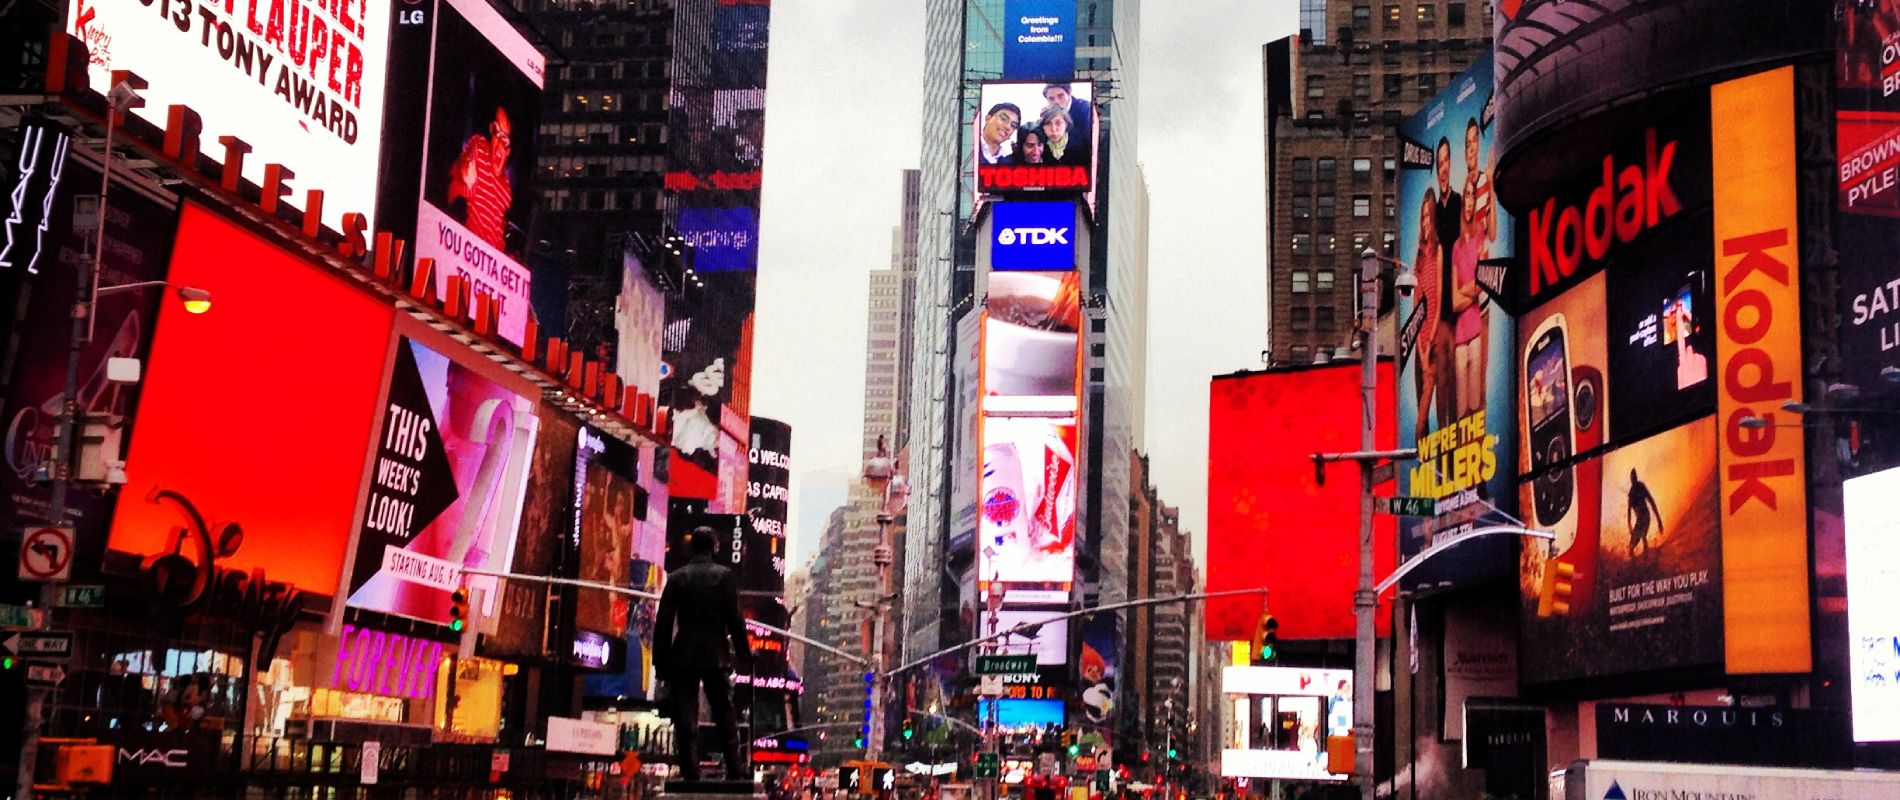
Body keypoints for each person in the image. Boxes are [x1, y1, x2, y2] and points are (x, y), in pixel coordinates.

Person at [655, 528, 754, 781]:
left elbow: (663, 623)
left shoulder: (677, 578)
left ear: (692, 548)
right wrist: (744, 652)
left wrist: (661, 663)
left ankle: (690, 771)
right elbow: (735, 619)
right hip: (715, 654)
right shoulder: (724, 577)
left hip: (683, 655)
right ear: (715, 547)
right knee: (724, 712)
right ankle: (735, 768)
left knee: (685, 716)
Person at [1452, 118, 1492, 418]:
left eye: (1470, 196)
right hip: (1460, 334)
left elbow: (1483, 283)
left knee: (1478, 403)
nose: (1468, 201)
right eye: (1465, 196)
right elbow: (1454, 300)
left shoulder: (1480, 236)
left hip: (1479, 325)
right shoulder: (1456, 246)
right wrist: (1471, 292)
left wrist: (1471, 290)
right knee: (1462, 407)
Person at [447, 106, 515, 251]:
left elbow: (501, 234)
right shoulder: (479, 148)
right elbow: (453, 188)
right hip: (466, 249)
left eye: (506, 140)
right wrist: (462, 171)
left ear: (509, 152)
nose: (500, 147)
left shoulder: (507, 190)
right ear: (491, 129)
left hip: (489, 264)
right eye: (498, 133)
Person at [1626, 468, 1663, 559]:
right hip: (1639, 520)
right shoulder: (1631, 493)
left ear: (1636, 477)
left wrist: (1659, 521)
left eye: (1634, 478)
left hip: (1646, 517)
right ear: (1631, 479)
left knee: (1643, 536)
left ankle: (1647, 560)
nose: (1633, 480)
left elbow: (1651, 502)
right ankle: (1634, 565)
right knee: (1631, 547)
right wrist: (1630, 527)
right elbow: (1629, 512)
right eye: (1632, 479)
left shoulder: (1641, 487)